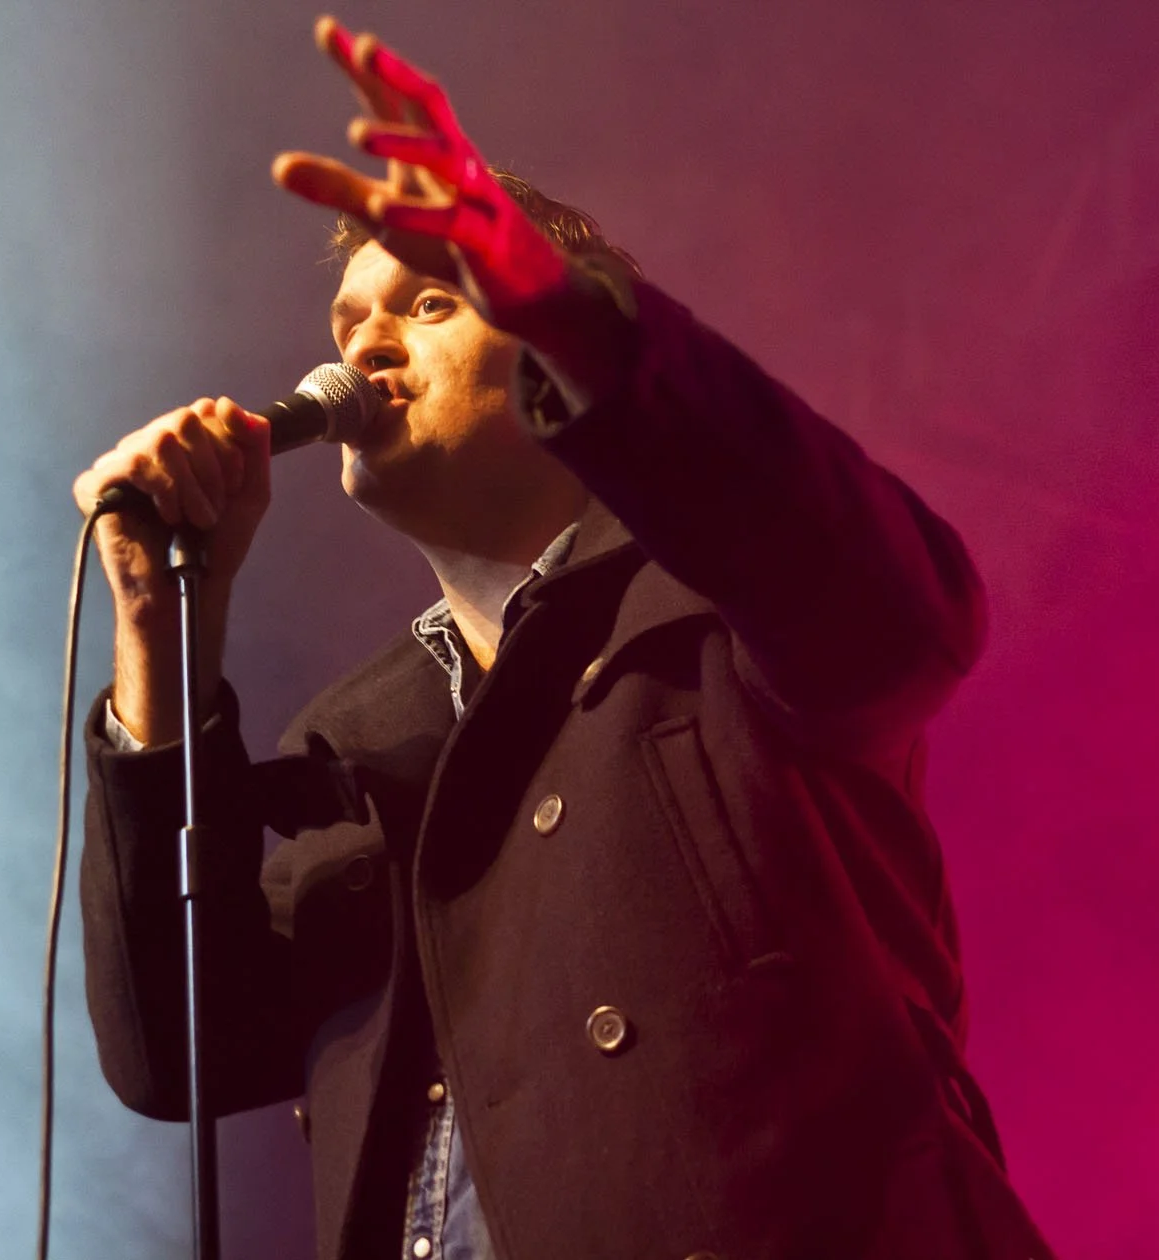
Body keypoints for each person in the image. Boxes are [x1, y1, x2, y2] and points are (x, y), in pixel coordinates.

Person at [73, 15, 1054, 1260]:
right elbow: (180, 1048)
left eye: (429, 301)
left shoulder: (719, 603)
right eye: (346, 326)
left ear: (551, 349)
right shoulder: (353, 739)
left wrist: (572, 309)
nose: (365, 345)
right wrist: (161, 627)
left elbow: (904, 618)